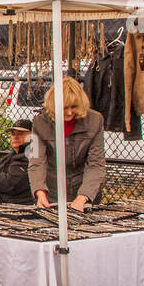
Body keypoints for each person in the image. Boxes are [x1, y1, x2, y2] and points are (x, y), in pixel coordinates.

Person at [28, 77, 105, 211]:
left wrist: (83, 197)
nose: (69, 112)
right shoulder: (40, 122)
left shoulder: (95, 121)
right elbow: (36, 161)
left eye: (74, 107)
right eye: (64, 108)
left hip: (84, 187)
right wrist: (40, 192)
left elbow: (96, 164)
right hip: (52, 189)